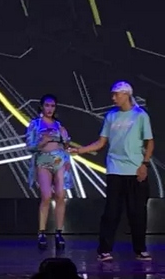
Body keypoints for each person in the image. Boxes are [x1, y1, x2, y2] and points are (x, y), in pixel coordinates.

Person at [69, 81, 154, 262]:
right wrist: (80, 150)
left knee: (137, 213)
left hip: (135, 170)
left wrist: (144, 164)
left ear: (126, 95)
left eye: (116, 94)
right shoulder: (111, 116)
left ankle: (140, 249)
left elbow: (149, 142)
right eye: (113, 94)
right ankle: (104, 250)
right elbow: (101, 142)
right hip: (115, 170)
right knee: (111, 212)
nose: (113, 98)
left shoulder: (140, 116)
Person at [26, 94, 73, 250]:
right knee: (46, 196)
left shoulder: (59, 126)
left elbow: (65, 146)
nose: (50, 109)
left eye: (52, 106)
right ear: (42, 107)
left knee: (60, 195)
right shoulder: (35, 124)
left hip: (59, 160)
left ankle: (59, 232)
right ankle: (41, 233)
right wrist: (42, 142)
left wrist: (66, 144)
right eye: (47, 105)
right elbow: (29, 146)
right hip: (43, 161)